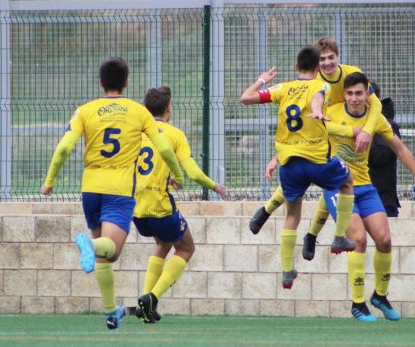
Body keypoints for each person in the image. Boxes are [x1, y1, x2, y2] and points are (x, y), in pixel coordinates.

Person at [40, 57, 184, 330]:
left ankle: (111, 312)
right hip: (119, 192)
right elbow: (164, 148)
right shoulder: (138, 111)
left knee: (107, 257)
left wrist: (50, 181)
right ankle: (89, 245)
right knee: (110, 250)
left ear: (101, 82)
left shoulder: (85, 110)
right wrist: (177, 176)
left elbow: (63, 148)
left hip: (90, 189)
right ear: (126, 82)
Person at [307, 72, 415, 321]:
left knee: (384, 240)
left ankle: (380, 296)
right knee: (358, 240)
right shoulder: (334, 110)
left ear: (367, 94)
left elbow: (399, 147)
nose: (353, 98)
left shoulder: (377, 119)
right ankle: (358, 303)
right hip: (337, 187)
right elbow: (313, 124)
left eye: (358, 93)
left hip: (365, 187)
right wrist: (351, 130)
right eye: (349, 93)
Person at [239, 46, 356, 289]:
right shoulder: (319, 86)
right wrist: (316, 111)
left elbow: (245, 98)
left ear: (296, 67)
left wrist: (262, 79)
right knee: (347, 182)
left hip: (290, 164)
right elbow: (317, 99)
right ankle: (339, 237)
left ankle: (287, 270)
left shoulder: (284, 88)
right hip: (316, 160)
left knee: (292, 215)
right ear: (317, 69)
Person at [250, 36, 383, 234]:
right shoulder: (315, 82)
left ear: (338, 57)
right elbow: (307, 117)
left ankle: (306, 233)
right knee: (320, 178)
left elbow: (376, 104)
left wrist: (366, 131)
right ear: (316, 65)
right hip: (321, 133)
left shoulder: (353, 73)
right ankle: (273, 213)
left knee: (309, 179)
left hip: (334, 130)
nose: (327, 62)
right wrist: (277, 157)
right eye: (322, 59)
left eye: (331, 57)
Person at [134, 86, 227, 323]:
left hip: (135, 206)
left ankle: (146, 305)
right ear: (168, 108)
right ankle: (152, 297)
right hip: (159, 204)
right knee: (186, 248)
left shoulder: (136, 133)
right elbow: (193, 173)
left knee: (163, 244)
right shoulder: (175, 134)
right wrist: (214, 185)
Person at [368, 82, 401, 217]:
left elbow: (380, 156)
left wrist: (362, 136)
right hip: (356, 195)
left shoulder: (387, 125)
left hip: (383, 199)